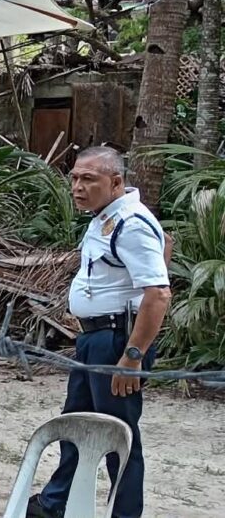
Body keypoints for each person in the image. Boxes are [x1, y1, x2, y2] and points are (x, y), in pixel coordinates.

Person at [28, 146, 171, 518]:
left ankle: (124, 514)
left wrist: (133, 356)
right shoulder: (106, 217)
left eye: (88, 179)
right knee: (75, 424)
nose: (77, 186)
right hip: (95, 338)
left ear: (116, 181)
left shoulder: (131, 223)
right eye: (74, 178)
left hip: (116, 342)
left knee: (117, 433)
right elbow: (164, 250)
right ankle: (54, 503)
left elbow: (158, 293)